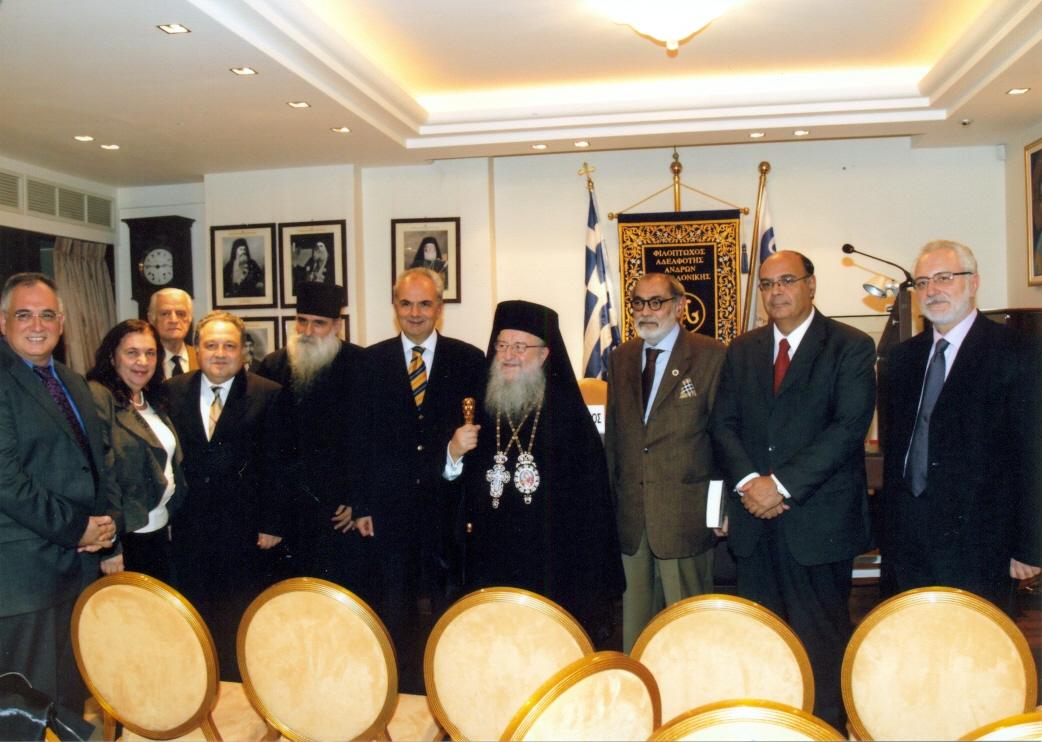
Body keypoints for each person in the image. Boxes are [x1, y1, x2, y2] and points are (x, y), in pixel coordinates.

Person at [709, 250, 876, 729]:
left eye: (786, 280)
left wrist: (779, 486)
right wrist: (749, 483)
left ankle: (823, 731)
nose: (776, 292)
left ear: (811, 285)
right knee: (763, 642)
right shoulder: (742, 349)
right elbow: (723, 424)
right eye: (766, 284)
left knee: (820, 646)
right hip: (754, 523)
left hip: (816, 525)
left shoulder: (850, 345)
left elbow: (848, 429)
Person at [448, 300, 625, 641]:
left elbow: (590, 504)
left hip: (550, 562)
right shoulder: (480, 408)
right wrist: (453, 454)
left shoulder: (568, 416)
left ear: (544, 354)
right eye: (502, 345)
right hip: (491, 557)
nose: (508, 355)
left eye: (520, 347)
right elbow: (457, 485)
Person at [880, 240, 1041, 609]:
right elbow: (897, 450)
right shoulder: (902, 358)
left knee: (976, 640)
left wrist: (1030, 546)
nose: (932, 290)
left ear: (974, 282)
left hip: (981, 541)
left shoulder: (1019, 352)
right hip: (908, 539)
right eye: (922, 282)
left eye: (944, 278)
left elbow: (1034, 454)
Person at [364, 268, 485, 693]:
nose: (415, 313)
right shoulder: (370, 362)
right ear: (394, 306)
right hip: (389, 513)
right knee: (395, 612)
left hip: (447, 509)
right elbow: (359, 439)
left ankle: (444, 692)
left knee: (445, 612)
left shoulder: (469, 360)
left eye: (424, 304)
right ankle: (398, 696)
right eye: (406, 304)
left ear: (440, 308)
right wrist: (362, 505)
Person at [0, 272, 117, 709]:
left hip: (76, 573)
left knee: (69, 704)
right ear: (2, 321)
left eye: (47, 315)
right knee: (26, 714)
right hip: (24, 581)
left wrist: (106, 528)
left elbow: (95, 463)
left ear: (62, 323)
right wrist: (77, 528)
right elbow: (7, 481)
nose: (37, 325)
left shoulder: (72, 381)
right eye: (24, 315)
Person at [605, 273, 726, 652]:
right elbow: (616, 440)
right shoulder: (621, 358)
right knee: (636, 635)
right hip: (632, 519)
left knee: (689, 633)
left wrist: (722, 507)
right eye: (638, 303)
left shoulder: (711, 355)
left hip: (685, 518)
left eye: (656, 302)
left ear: (680, 306)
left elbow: (724, 438)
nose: (646, 311)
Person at [165, 310, 283, 680]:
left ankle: (239, 685)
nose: (219, 354)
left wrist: (273, 522)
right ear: (196, 349)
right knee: (195, 618)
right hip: (189, 527)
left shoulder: (268, 394)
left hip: (245, 530)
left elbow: (279, 464)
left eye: (229, 346)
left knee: (239, 618)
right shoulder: (171, 391)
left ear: (243, 350)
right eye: (211, 345)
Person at [256, 282, 370, 592]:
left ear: (337, 326)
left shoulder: (361, 364)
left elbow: (369, 441)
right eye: (302, 321)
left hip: (340, 512)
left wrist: (357, 501)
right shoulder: (272, 366)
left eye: (318, 323)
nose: (307, 331)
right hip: (289, 510)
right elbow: (265, 446)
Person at [87, 319, 187, 582]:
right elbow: (102, 474)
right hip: (125, 538)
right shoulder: (99, 396)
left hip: (158, 530)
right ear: (112, 357)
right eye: (132, 353)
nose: (142, 361)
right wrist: (110, 547)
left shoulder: (151, 397)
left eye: (150, 353)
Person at [147, 287, 197, 379]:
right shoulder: (145, 361)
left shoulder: (202, 359)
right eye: (165, 314)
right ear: (151, 319)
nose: (174, 320)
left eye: (180, 314)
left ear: (190, 318)